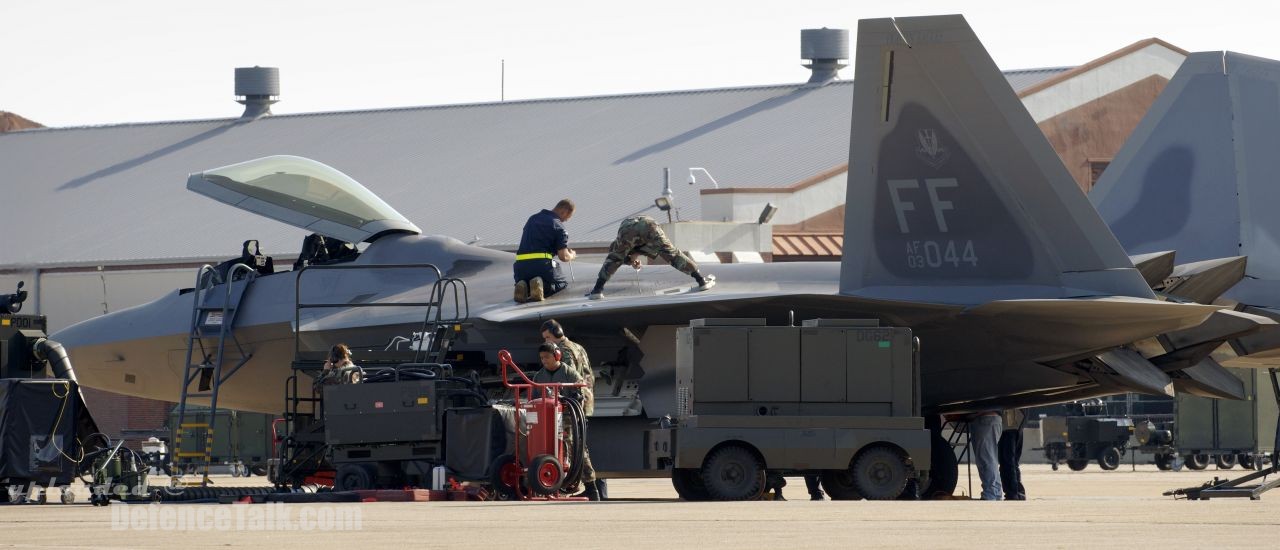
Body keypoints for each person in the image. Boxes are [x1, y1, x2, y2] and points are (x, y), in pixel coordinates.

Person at [540, 320, 605, 500]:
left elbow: (566, 376)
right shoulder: (578, 347)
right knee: (577, 444)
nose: (548, 342)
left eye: (548, 337)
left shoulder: (564, 351)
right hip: (583, 401)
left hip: (572, 403)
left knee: (572, 445)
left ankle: (591, 487)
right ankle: (593, 488)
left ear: (556, 333)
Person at [586, 215, 714, 300]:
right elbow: (631, 254)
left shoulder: (618, 245)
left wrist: (631, 260)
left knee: (615, 259)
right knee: (672, 254)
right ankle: (700, 280)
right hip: (647, 225)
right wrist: (632, 260)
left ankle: (597, 290)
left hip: (628, 228)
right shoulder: (626, 246)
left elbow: (615, 260)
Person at [531, 343, 598, 501]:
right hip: (546, 418)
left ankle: (591, 488)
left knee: (574, 447)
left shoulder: (570, 374)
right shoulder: (539, 376)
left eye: (547, 357)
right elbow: (534, 397)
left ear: (557, 356)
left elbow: (580, 393)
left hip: (568, 416)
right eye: (542, 358)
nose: (544, 360)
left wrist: (568, 401)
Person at [514, 199, 577, 303]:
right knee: (561, 283)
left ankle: (523, 285)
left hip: (520, 268)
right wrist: (572, 255)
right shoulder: (558, 226)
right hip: (542, 267)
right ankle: (542, 287)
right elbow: (563, 257)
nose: (566, 220)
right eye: (568, 217)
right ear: (564, 211)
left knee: (527, 281)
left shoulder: (532, 219)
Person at [969, 410, 1003, 501]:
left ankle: (990, 493)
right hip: (991, 419)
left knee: (986, 460)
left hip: (984, 419)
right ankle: (996, 492)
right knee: (990, 458)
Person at [998, 409, 1027, 500]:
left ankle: (1012, 492)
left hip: (1009, 426)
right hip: (1015, 425)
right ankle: (1017, 491)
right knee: (1011, 462)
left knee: (1007, 461)